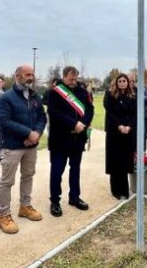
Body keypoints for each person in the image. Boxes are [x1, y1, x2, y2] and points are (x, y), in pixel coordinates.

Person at [0, 65, 46, 234]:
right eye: (27, 74)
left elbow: (42, 117)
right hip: (11, 146)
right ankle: (3, 215)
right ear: (17, 75)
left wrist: (37, 133)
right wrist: (27, 133)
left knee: (28, 176)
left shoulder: (35, 96)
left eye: (32, 74)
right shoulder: (6, 98)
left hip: (31, 146)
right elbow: (3, 121)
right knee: (7, 181)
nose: (31, 77)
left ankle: (25, 206)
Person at [47, 66, 94, 217]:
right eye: (70, 78)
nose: (74, 81)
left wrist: (83, 123)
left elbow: (90, 110)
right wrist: (73, 124)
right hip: (60, 139)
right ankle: (55, 201)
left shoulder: (83, 92)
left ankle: (74, 197)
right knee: (57, 171)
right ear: (64, 77)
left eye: (76, 78)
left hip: (77, 139)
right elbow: (54, 112)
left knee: (75, 169)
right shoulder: (55, 92)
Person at [103, 73, 137, 200]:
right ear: (116, 83)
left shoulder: (132, 96)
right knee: (115, 160)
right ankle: (115, 189)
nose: (122, 83)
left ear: (128, 82)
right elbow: (110, 113)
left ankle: (124, 189)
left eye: (124, 81)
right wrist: (119, 126)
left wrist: (129, 126)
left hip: (127, 132)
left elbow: (134, 114)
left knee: (124, 160)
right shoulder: (110, 95)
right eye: (120, 81)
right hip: (114, 131)